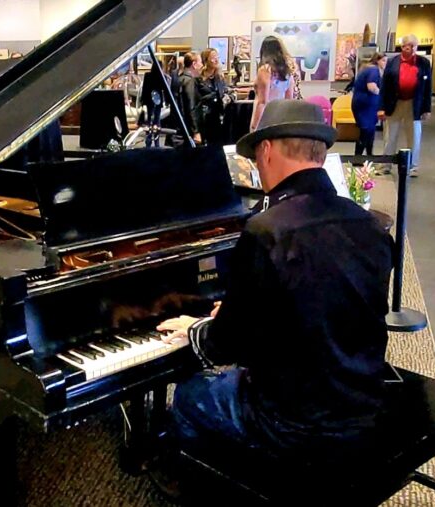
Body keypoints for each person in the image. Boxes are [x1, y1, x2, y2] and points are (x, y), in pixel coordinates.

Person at [151, 99, 393, 499]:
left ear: (266, 151)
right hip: (364, 403)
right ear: (320, 152)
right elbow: (327, 305)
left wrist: (199, 327)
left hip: (292, 423)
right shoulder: (369, 222)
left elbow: (226, 346)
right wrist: (244, 311)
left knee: (192, 393)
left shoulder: (266, 230)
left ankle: (200, 485)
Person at [379, 34, 432, 176]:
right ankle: (386, 165)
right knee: (390, 135)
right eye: (410, 46)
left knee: (414, 135)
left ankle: (412, 166)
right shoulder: (392, 62)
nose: (413, 49)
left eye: (415, 46)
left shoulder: (424, 63)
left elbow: (428, 87)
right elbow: (385, 86)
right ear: (403, 47)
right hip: (394, 102)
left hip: (414, 103)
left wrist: (427, 108)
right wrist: (381, 107)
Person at [250, 36, 294, 131]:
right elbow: (289, 100)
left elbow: (262, 102)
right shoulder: (287, 71)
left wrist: (255, 125)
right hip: (280, 117)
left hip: (265, 117)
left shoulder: (265, 70)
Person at [352, 53, 387, 156]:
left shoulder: (367, 69)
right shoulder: (374, 70)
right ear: (377, 61)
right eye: (384, 61)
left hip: (367, 105)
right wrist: (382, 94)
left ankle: (369, 155)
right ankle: (358, 157)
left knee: (370, 131)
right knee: (366, 130)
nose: (385, 63)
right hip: (365, 105)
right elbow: (371, 86)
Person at [195, 48, 230, 145]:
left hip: (219, 120)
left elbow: (226, 91)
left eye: (217, 57)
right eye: (213, 58)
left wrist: (228, 97)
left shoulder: (219, 77)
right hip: (204, 121)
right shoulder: (198, 79)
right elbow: (195, 102)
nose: (216, 60)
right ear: (206, 60)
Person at [177, 51, 203, 144]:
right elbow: (191, 106)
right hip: (186, 130)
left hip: (178, 127)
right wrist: (195, 131)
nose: (202, 65)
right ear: (194, 64)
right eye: (200, 62)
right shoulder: (190, 81)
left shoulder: (179, 78)